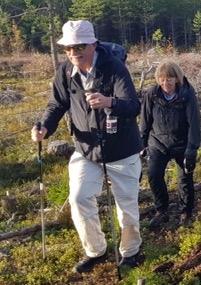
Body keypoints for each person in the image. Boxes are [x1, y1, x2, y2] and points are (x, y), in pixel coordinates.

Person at [30, 20, 143, 273]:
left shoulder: (113, 68)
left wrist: (109, 101)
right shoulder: (64, 71)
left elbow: (133, 105)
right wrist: (45, 128)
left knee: (126, 205)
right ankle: (96, 250)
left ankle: (131, 252)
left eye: (79, 46)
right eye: (68, 48)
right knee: (79, 198)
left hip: (122, 150)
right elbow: (56, 104)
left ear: (93, 44)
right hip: (86, 149)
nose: (73, 53)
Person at [139, 61, 201, 229]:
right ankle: (161, 209)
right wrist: (141, 145)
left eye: (169, 79)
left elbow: (194, 123)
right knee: (154, 175)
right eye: (162, 80)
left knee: (184, 179)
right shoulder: (152, 94)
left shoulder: (186, 94)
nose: (165, 83)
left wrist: (191, 151)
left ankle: (185, 211)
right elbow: (145, 121)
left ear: (177, 79)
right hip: (158, 143)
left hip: (182, 143)